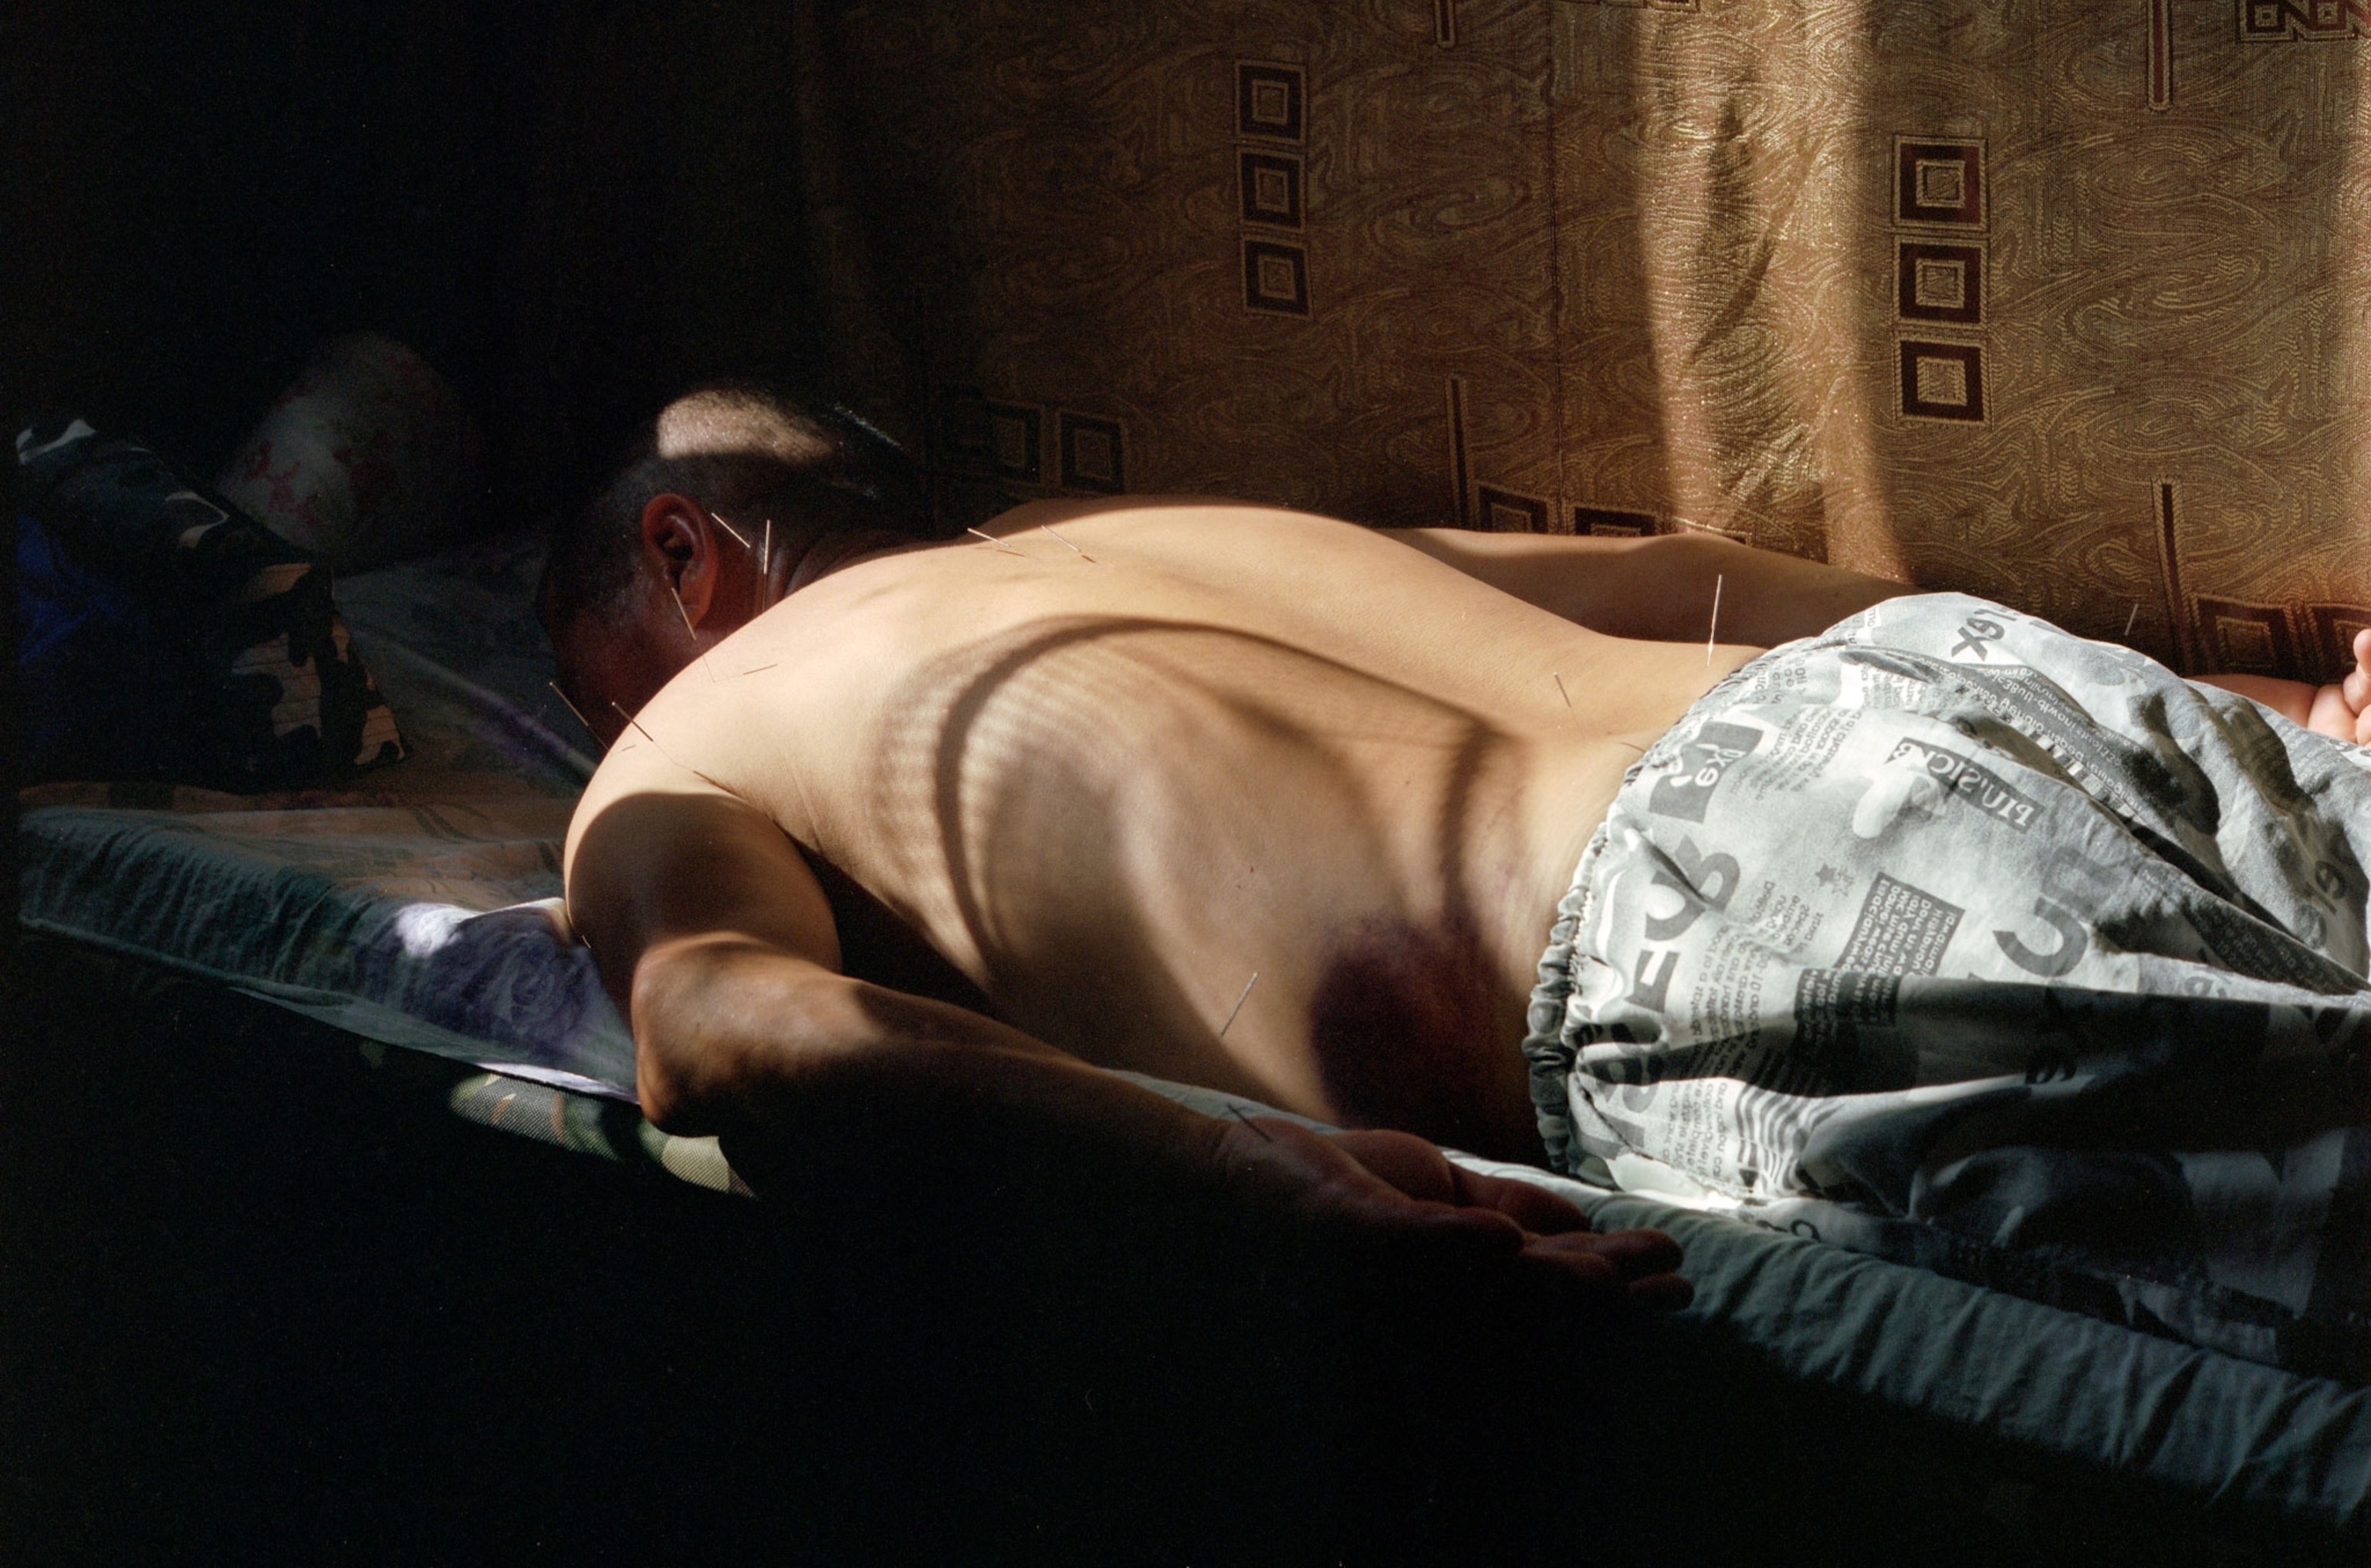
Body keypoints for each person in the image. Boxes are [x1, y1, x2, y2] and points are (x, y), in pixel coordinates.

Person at [542, 385, 2371, 1313]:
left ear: (686, 556)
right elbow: (1687, 585)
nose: (588, 734)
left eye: (578, 682)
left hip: (1727, 906)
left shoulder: (678, 742)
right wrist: (2269, 714)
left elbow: (717, 1022)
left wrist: (1244, 1184)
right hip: (1958, 688)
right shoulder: (1123, 526)